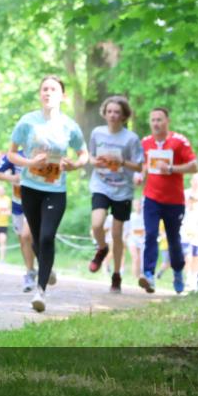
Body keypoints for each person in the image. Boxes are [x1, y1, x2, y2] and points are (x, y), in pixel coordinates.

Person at [7, 76, 89, 312]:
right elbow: (11, 154)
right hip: (30, 188)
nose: (48, 93)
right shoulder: (27, 122)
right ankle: (47, 266)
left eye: (53, 89)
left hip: (55, 190)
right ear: (40, 94)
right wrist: (30, 162)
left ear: (62, 95)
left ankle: (40, 292)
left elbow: (84, 154)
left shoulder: (69, 125)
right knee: (35, 238)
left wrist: (75, 165)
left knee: (46, 237)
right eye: (44, 89)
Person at [137, 107, 198, 294]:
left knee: (173, 239)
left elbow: (194, 166)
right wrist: (140, 176)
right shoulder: (145, 143)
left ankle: (178, 272)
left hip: (174, 201)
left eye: (159, 119)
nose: (156, 123)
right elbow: (144, 165)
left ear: (167, 121)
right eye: (153, 120)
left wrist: (172, 169)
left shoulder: (179, 141)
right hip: (151, 198)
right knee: (150, 234)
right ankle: (148, 275)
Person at [86, 96, 144, 292]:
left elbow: (139, 166)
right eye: (109, 111)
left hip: (123, 189)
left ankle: (116, 274)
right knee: (97, 224)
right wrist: (95, 161)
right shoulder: (97, 133)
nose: (112, 115)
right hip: (101, 184)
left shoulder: (131, 138)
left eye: (117, 112)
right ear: (104, 113)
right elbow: (90, 156)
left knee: (117, 234)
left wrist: (122, 162)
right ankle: (102, 248)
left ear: (124, 116)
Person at [0, 150, 38, 291]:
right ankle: (30, 272)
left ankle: (44, 264)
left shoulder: (40, 154)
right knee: (23, 240)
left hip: (36, 203)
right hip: (18, 203)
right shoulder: (14, 155)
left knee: (28, 235)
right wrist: (13, 178)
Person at [127, 198, 146, 282]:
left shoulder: (144, 216)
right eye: (135, 205)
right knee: (135, 258)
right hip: (132, 239)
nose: (137, 206)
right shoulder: (131, 216)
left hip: (142, 240)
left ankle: (140, 276)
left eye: (139, 204)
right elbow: (128, 229)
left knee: (141, 258)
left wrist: (143, 232)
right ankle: (135, 277)